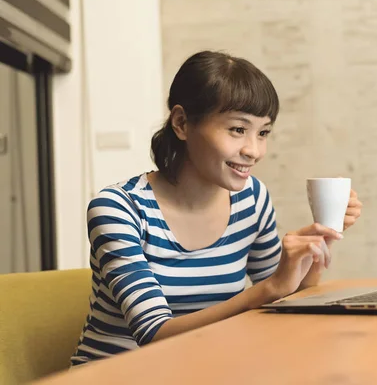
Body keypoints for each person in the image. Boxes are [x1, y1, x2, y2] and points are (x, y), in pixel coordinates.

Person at [70, 50, 362, 366]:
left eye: (263, 132)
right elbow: (154, 333)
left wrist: (320, 245)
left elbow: (283, 299)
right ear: (182, 123)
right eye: (237, 129)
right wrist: (269, 288)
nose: (254, 151)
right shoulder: (118, 209)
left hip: (203, 370)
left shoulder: (251, 198)